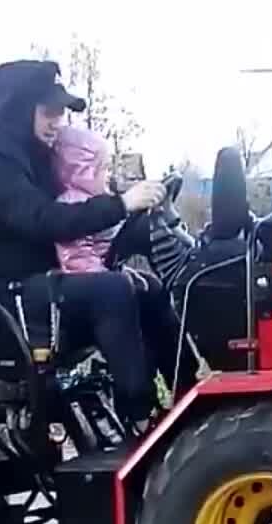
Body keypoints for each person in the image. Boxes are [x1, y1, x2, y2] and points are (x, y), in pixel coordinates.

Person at [0, 59, 166, 427]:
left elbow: (68, 209)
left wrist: (124, 222)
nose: (57, 122)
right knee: (111, 292)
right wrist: (122, 205)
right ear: (19, 109)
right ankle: (140, 418)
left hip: (35, 286)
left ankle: (189, 397)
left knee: (149, 289)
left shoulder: (27, 153)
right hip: (6, 299)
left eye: (61, 113)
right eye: (49, 112)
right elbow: (46, 221)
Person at [51, 123, 197, 395]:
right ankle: (138, 401)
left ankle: (185, 382)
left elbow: (109, 244)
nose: (108, 176)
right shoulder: (72, 204)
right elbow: (78, 259)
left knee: (153, 288)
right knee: (123, 292)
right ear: (81, 169)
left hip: (103, 274)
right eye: (102, 169)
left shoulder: (96, 201)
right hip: (83, 293)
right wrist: (113, 274)